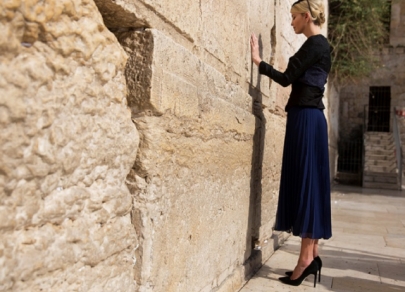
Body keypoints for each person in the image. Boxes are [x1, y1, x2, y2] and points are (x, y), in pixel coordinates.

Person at [250, 0, 332, 287]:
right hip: (312, 119)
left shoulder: (313, 45)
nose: (292, 23)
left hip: (306, 120)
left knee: (307, 186)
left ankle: (306, 260)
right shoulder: (323, 46)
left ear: (306, 16)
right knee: (312, 186)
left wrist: (259, 62)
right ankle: (310, 254)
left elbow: (286, 79)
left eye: (294, 17)